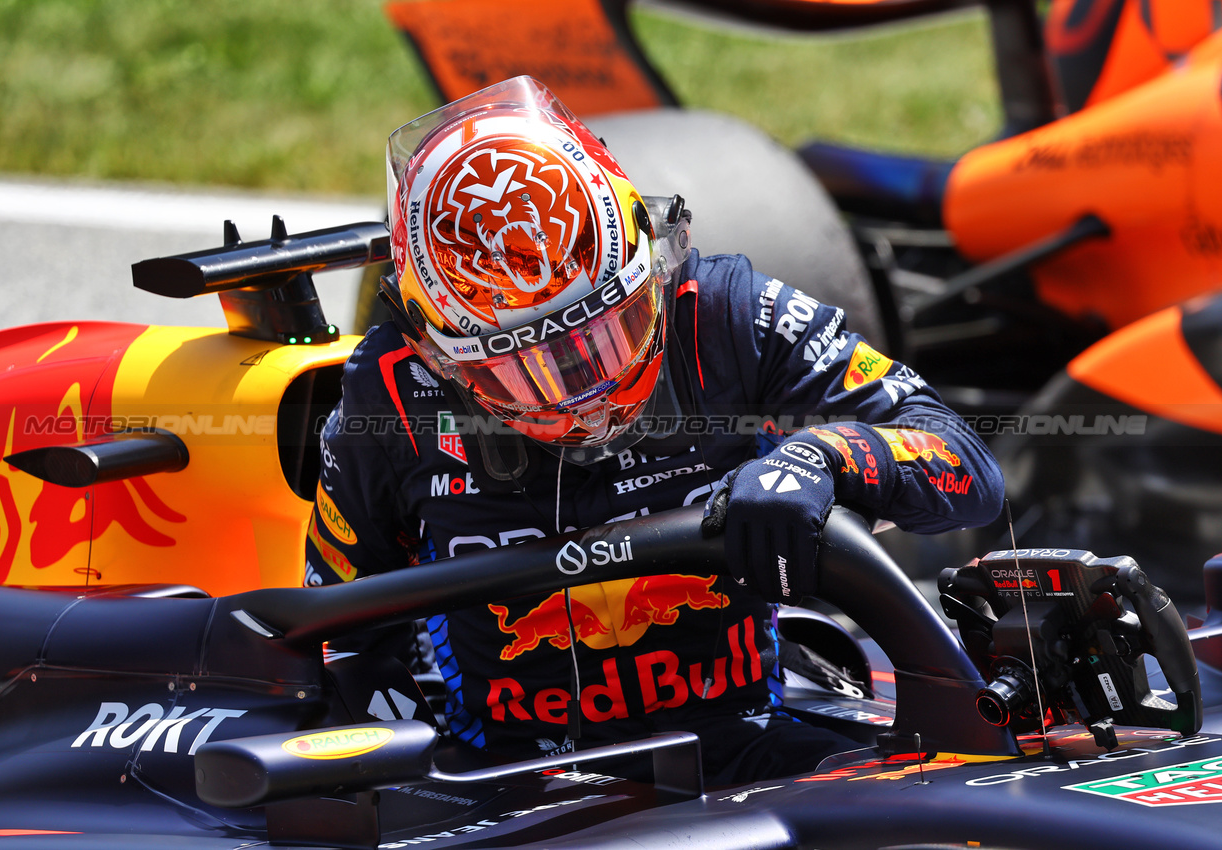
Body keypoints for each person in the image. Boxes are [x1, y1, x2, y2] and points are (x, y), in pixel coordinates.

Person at [304, 76, 1004, 784]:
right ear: (441, 353)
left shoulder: (726, 314)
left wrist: (822, 456)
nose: (585, 399)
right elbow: (337, 631)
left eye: (605, 336)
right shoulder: (390, 394)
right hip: (506, 785)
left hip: (742, 744)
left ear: (650, 260)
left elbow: (966, 468)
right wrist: (392, 749)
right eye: (529, 369)